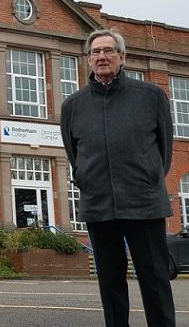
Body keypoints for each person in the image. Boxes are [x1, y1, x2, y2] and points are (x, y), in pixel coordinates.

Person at [60, 29, 176, 327]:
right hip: (99, 206)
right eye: (95, 52)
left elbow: (164, 150)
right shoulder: (73, 106)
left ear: (122, 57)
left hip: (144, 204)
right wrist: (87, 177)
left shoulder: (150, 96)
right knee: (110, 285)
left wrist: (148, 177)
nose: (102, 56)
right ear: (88, 60)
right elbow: (75, 155)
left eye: (109, 50)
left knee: (155, 281)